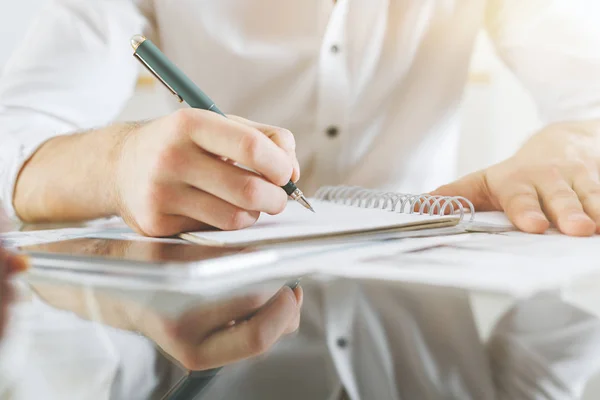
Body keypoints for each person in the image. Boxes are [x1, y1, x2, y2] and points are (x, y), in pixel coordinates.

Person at [1, 1, 600, 399]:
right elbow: (12, 134)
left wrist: (571, 142)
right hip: (210, 320)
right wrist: (114, 164)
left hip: (422, 288)